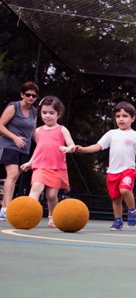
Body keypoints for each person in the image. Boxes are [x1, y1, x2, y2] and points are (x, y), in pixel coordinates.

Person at [76, 101, 136, 231]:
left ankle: (132, 211)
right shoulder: (111, 134)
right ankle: (118, 221)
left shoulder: (135, 135)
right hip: (112, 172)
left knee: (125, 190)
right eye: (118, 116)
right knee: (116, 199)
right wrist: (83, 149)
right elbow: (98, 146)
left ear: (132, 118)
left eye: (125, 116)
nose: (121, 119)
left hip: (128, 170)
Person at [21, 96, 76, 227]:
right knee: (36, 187)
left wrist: (67, 149)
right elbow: (39, 149)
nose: (47, 116)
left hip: (56, 168)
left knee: (51, 195)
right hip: (40, 166)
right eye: (44, 113)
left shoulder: (62, 129)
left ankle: (52, 215)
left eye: (51, 113)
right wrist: (30, 162)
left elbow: (72, 146)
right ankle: (27, 214)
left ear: (59, 114)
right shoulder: (38, 131)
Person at [0, 82, 39, 220]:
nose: (31, 97)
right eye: (28, 94)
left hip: (25, 148)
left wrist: (41, 143)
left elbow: (33, 131)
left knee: (15, 176)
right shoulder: (13, 107)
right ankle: (5, 209)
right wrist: (14, 137)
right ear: (22, 95)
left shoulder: (34, 111)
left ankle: (4, 204)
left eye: (34, 95)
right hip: (9, 145)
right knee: (12, 174)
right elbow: (0, 125)